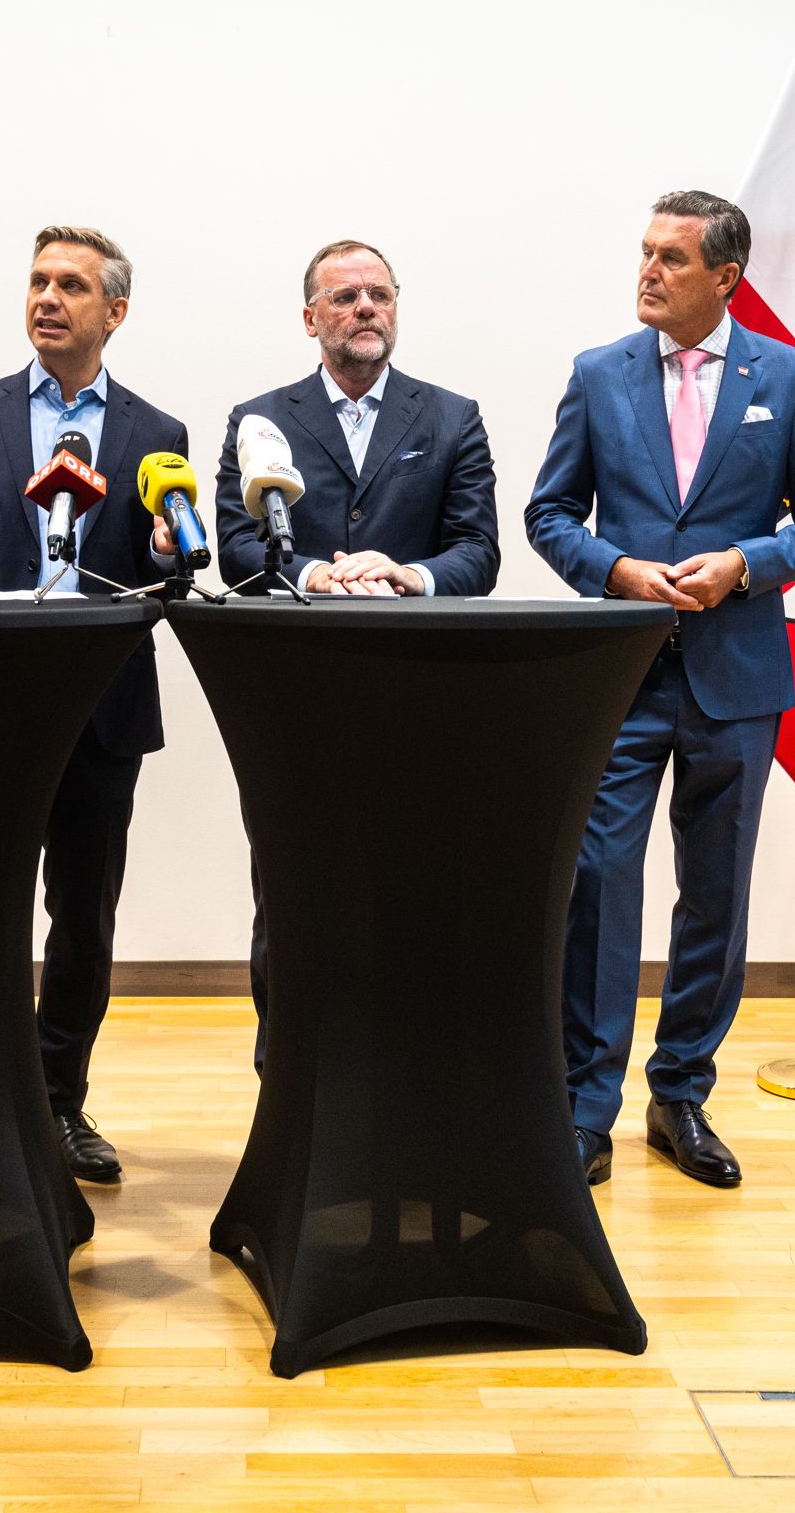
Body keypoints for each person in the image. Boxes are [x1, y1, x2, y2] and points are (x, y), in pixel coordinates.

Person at [524, 191, 795, 1190]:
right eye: (645, 253)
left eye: (671, 258)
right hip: (619, 674)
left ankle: (682, 1097)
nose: (649, 271)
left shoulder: (790, 379)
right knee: (596, 883)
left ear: (725, 277)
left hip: (736, 678)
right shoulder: (597, 375)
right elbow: (549, 515)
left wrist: (747, 563)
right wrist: (617, 570)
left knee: (715, 897)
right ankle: (587, 1106)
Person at [0, 225, 184, 1184]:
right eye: (38, 281)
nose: (48, 298)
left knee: (83, 917)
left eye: (71, 285)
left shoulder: (158, 432)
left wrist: (175, 558)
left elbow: (161, 583)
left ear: (116, 312)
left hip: (101, 711)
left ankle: (59, 1102)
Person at [215, 239, 501, 1065]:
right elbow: (240, 546)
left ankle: (409, 1063)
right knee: (293, 888)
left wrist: (405, 573)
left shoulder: (453, 417)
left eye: (379, 294)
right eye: (344, 298)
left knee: (416, 886)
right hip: (297, 693)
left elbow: (476, 552)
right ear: (311, 318)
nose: (365, 308)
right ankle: (292, 1063)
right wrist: (313, 573)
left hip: (421, 694)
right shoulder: (260, 420)